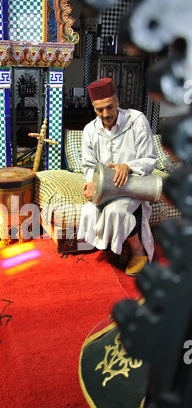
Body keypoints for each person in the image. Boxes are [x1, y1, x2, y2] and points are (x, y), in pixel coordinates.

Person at [77, 77, 158, 276]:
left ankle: (138, 251)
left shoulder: (137, 120)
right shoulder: (89, 130)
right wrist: (91, 183)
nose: (105, 114)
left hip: (132, 186)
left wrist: (128, 166)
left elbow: (150, 159)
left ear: (117, 101)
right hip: (104, 189)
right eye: (99, 110)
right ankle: (122, 246)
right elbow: (88, 166)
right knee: (89, 210)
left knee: (115, 211)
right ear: (94, 107)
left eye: (109, 107)